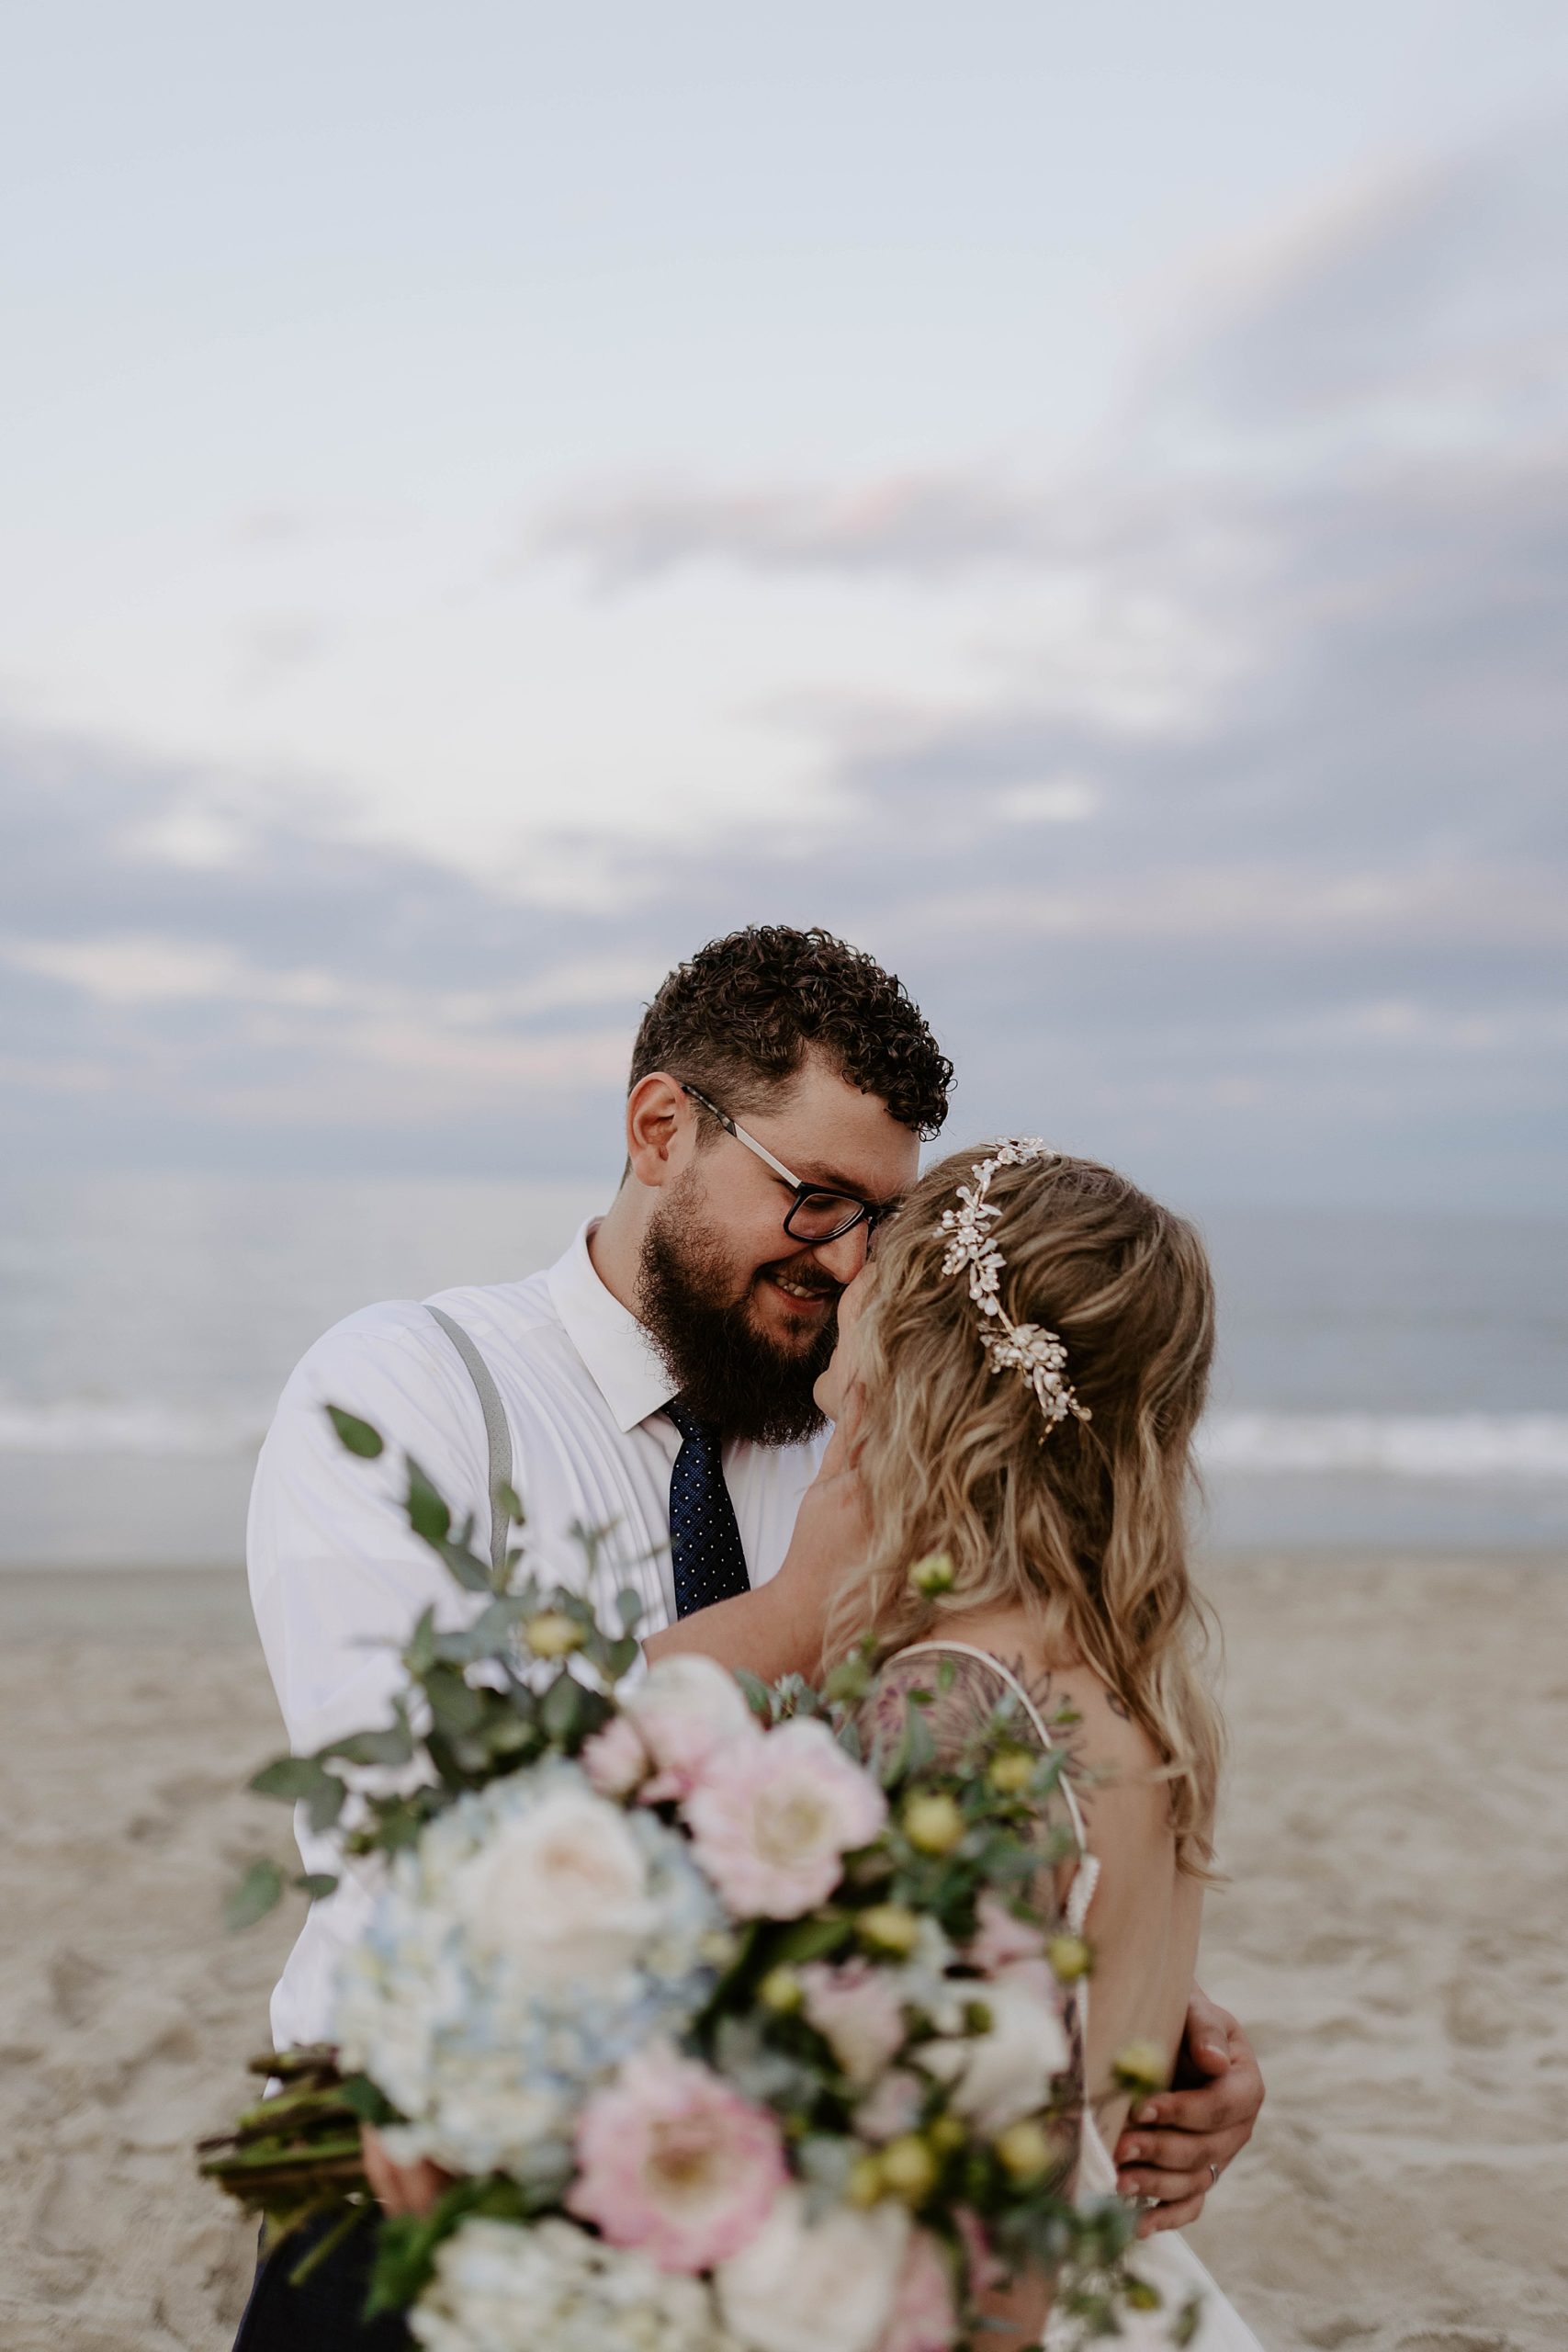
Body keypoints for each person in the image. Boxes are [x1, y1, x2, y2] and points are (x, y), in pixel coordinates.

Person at [233, 927, 1263, 2348]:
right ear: (663, 1129)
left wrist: (1119, 2018)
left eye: (881, 1223)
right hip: (421, 2179)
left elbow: (968, 1811)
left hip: (729, 2238)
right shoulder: (409, 1391)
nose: (846, 1264)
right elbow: (402, 1807)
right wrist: (784, 1619)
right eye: (817, 1196)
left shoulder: (871, 1443)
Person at [648, 1137, 1266, 2346]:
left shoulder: (953, 1702)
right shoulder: (1117, 1670)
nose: (845, 1263)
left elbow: (990, 2217)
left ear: (925, 1341)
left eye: (884, 1249)